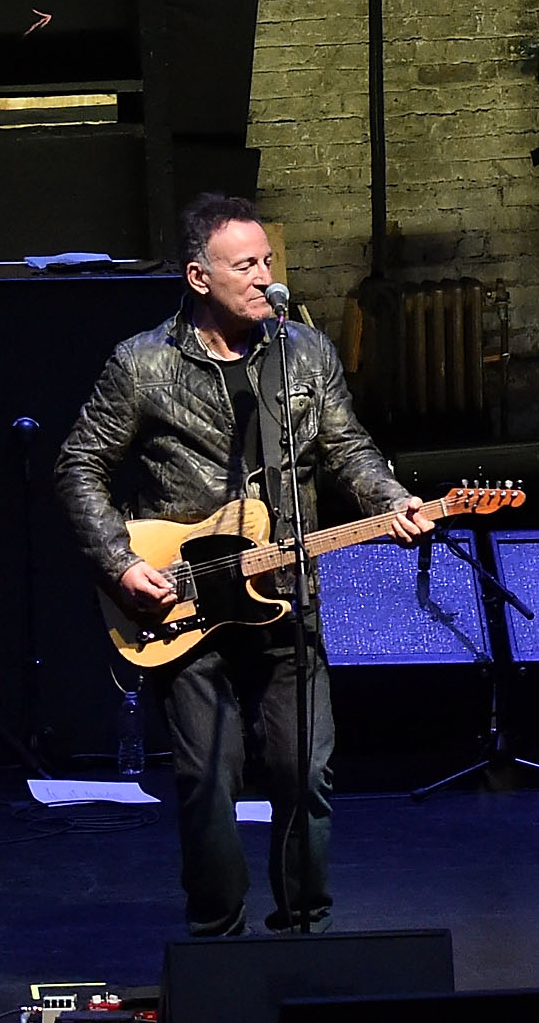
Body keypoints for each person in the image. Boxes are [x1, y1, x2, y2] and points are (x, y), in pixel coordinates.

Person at [54, 194, 432, 936]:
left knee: (306, 771)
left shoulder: (306, 352)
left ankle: (304, 926)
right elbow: (78, 466)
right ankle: (216, 937)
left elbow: (347, 449)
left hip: (287, 594)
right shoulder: (142, 363)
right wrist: (119, 563)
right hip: (186, 605)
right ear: (199, 276)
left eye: (268, 261)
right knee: (207, 780)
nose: (265, 277)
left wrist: (391, 496)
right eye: (245, 265)